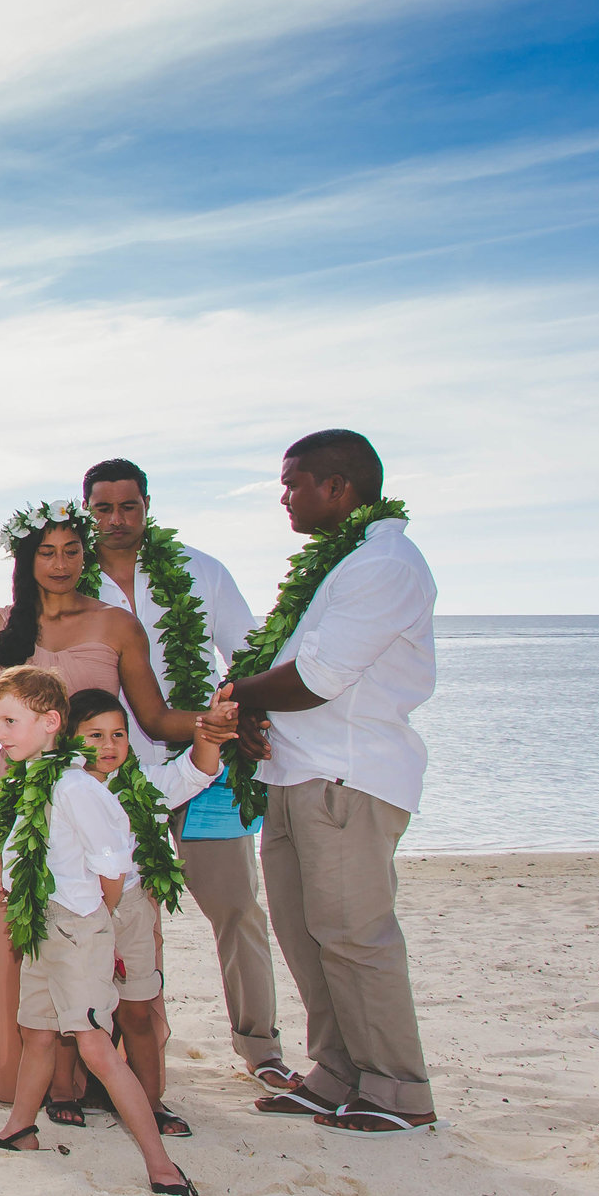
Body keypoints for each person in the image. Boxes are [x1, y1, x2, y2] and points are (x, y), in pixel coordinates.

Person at [224, 430, 440, 1135]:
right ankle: (337, 1072)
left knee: (354, 933)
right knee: (303, 930)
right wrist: (255, 711)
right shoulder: (338, 562)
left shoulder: (384, 564)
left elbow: (317, 678)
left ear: (339, 485)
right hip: (296, 773)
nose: (285, 496)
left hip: (347, 776)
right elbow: (297, 668)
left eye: (294, 482)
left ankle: (399, 1089)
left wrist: (237, 693)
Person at [0, 501, 203, 1103]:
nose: (60, 563)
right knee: (25, 936)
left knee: (104, 930)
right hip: (24, 807)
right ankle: (20, 1069)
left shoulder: (117, 624)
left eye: (71, 550)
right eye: (46, 551)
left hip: (96, 803)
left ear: (85, 555)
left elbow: (154, 717)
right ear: (26, 558)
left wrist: (215, 726)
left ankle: (108, 1075)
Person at [84, 457, 293, 1094]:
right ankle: (126, 1048)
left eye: (129, 507)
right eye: (104, 509)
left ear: (148, 505)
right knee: (122, 916)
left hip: (207, 770)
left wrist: (239, 721)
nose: (117, 521)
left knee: (235, 908)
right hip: (110, 779)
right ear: (88, 509)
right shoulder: (70, 578)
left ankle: (261, 1047)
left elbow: (249, 653)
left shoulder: (201, 572)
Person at [0, 666, 198, 1196]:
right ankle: (20, 1129)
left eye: (9, 721)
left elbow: (112, 864)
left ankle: (162, 1165)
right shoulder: (33, 778)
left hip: (77, 929)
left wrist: (95, 924)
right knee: (38, 1031)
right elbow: (41, 846)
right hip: (41, 925)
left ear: (51, 722)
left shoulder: (77, 787)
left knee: (96, 1045)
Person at [60, 687, 233, 1139]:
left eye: (118, 734)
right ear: (66, 737)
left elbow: (194, 771)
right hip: (76, 913)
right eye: (94, 735)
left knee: (137, 1010)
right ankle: (66, 1092)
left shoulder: (145, 785)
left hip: (131, 910)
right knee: (75, 1011)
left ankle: (151, 1104)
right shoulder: (59, 788)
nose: (109, 745)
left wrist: (211, 732)